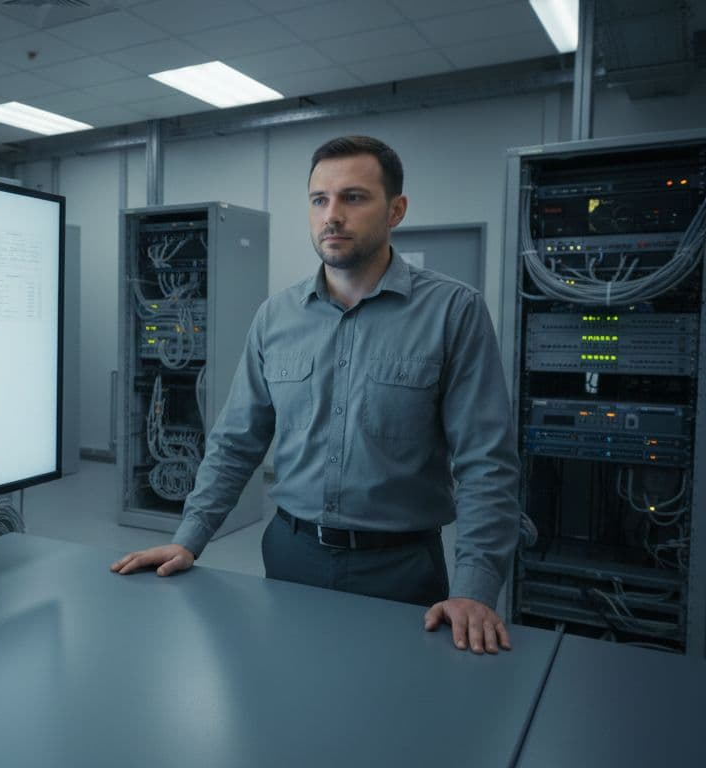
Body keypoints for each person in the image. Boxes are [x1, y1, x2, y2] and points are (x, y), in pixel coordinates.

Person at [111, 135, 521, 655]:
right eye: (319, 200)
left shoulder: (453, 311)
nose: (332, 215)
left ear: (396, 210)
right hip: (291, 555)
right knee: (287, 690)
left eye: (354, 197)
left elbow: (486, 463)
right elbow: (235, 442)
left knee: (395, 699)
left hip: (401, 570)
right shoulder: (275, 317)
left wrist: (474, 589)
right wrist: (189, 537)